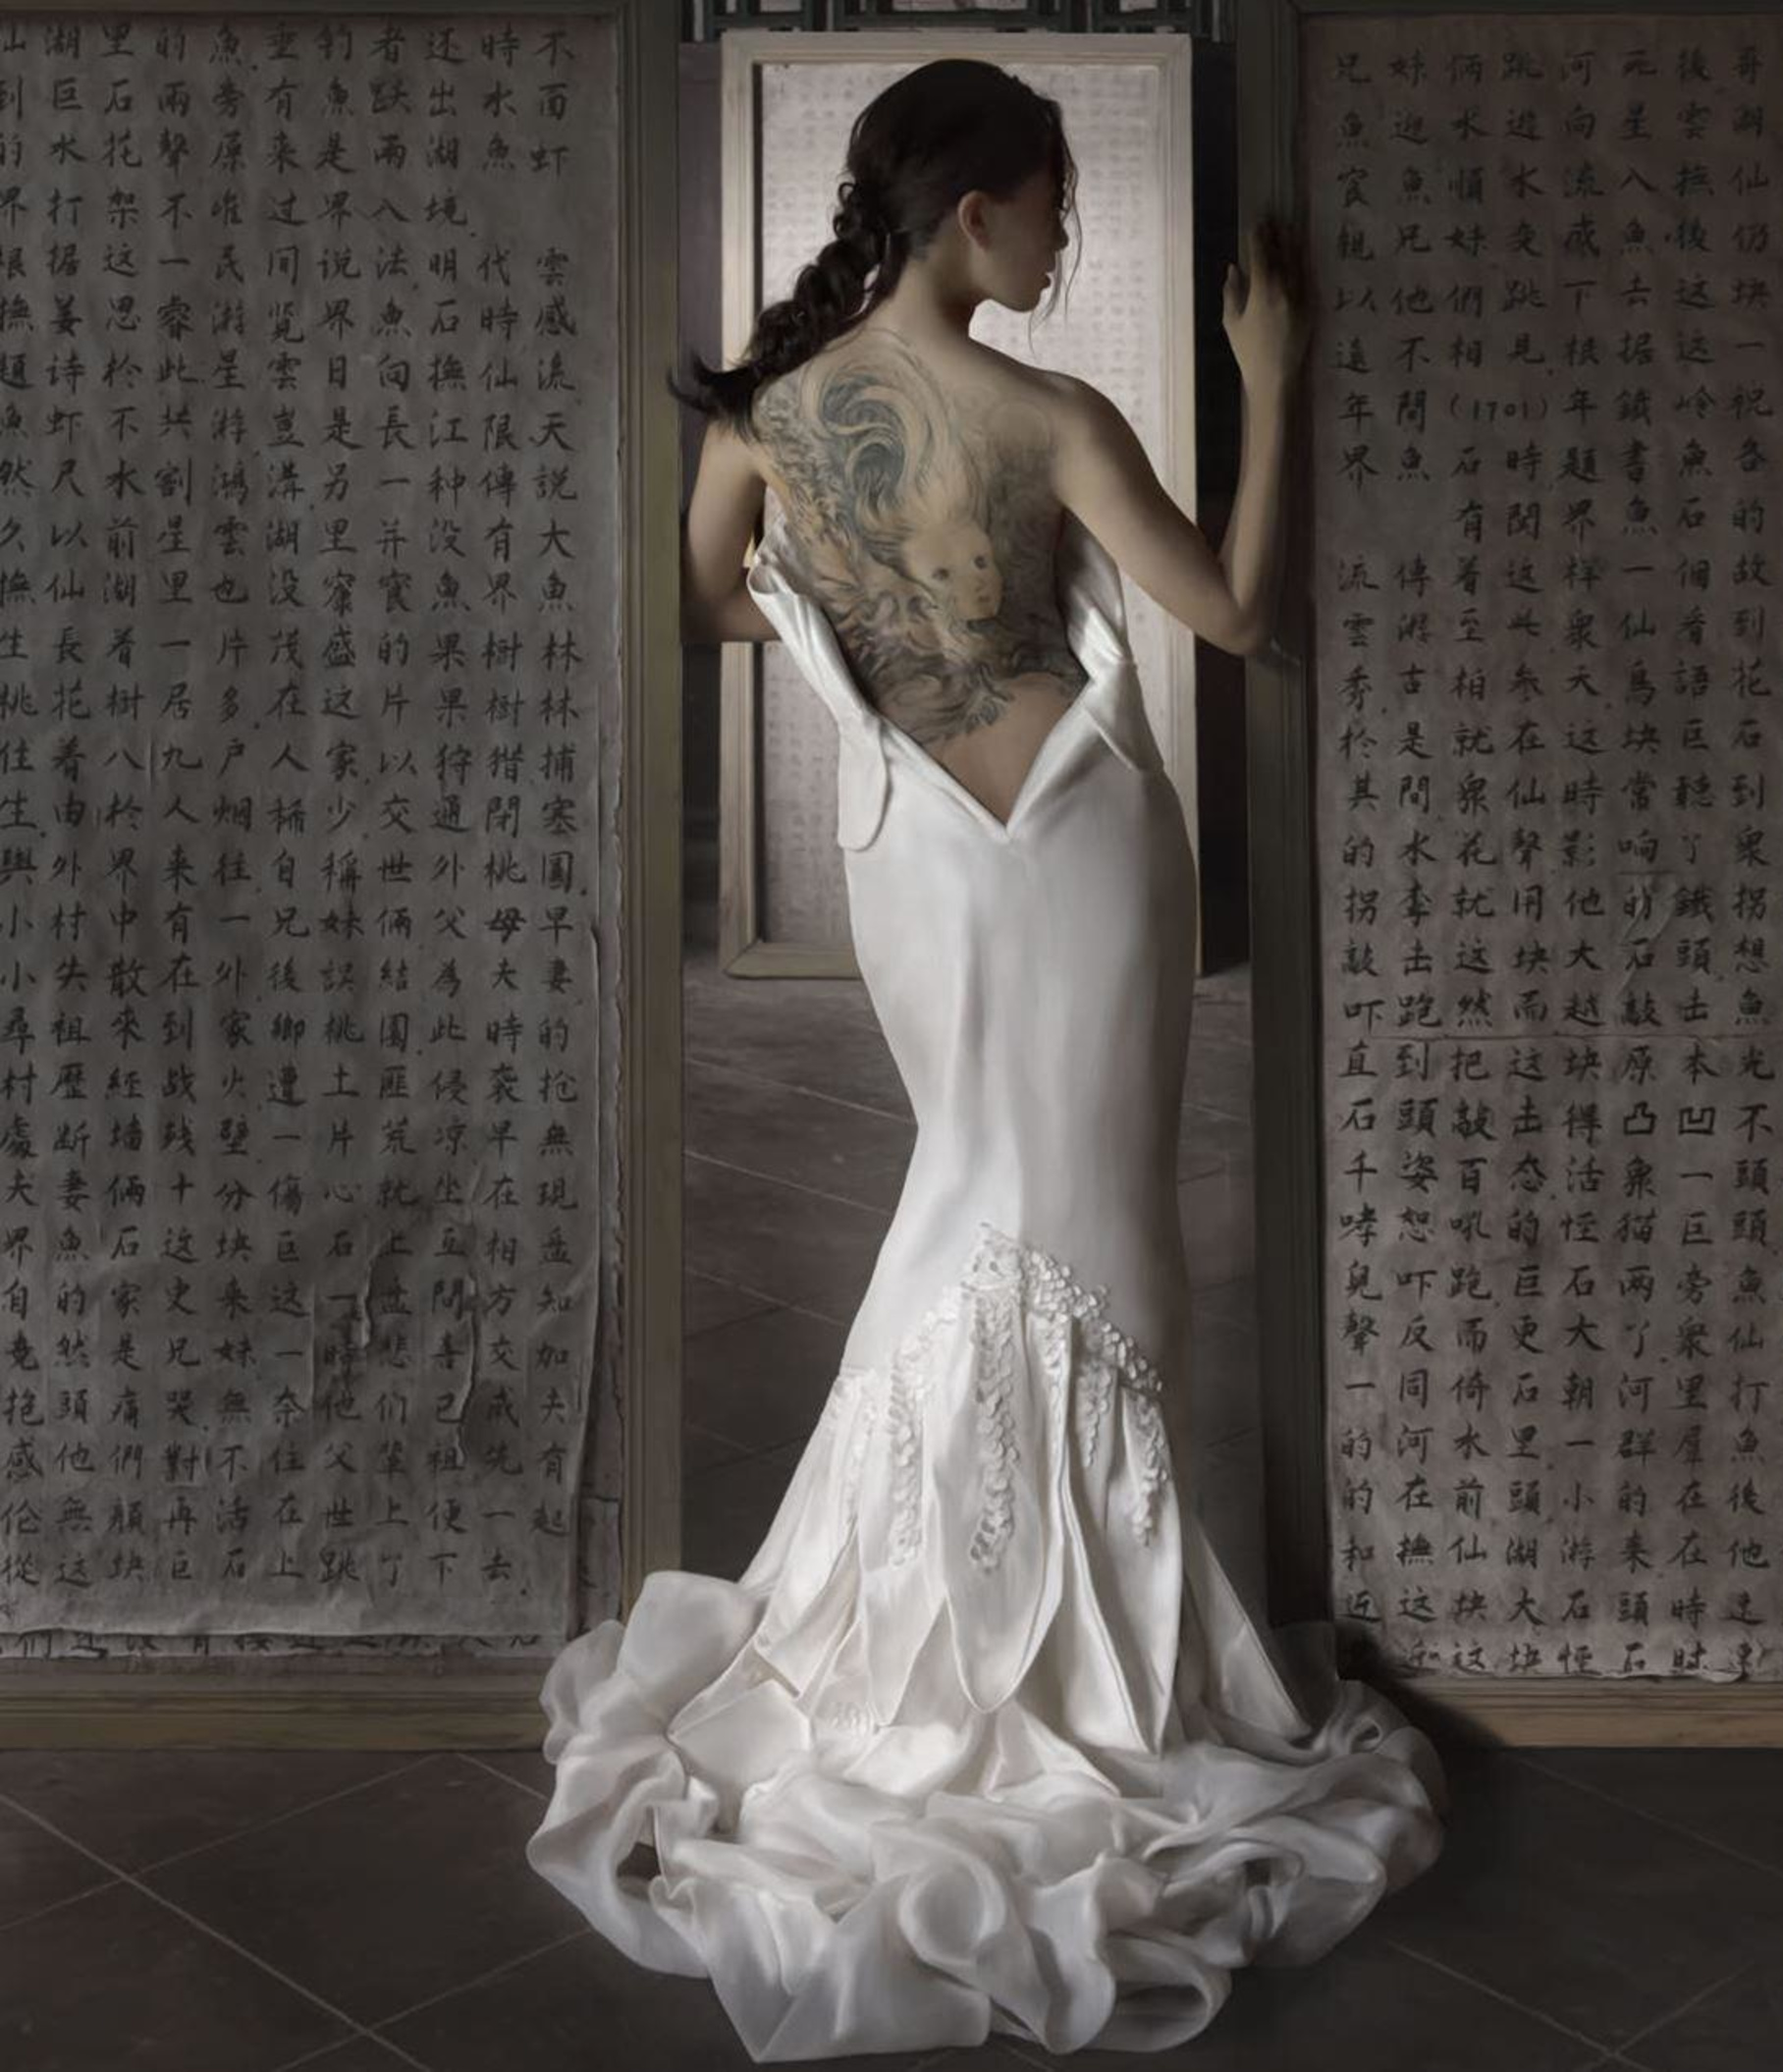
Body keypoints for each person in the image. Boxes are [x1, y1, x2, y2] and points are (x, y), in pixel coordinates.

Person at [525, 56, 1447, 2063]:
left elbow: (704, 605)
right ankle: (1090, 1653)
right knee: (1098, 1227)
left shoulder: (772, 417)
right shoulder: (1050, 416)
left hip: (913, 857)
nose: (1064, 239)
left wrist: (866, 651)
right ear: (972, 215)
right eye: (1049, 208)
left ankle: (927, 1637)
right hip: (1084, 835)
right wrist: (1274, 377)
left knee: (975, 1193)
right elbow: (1230, 607)